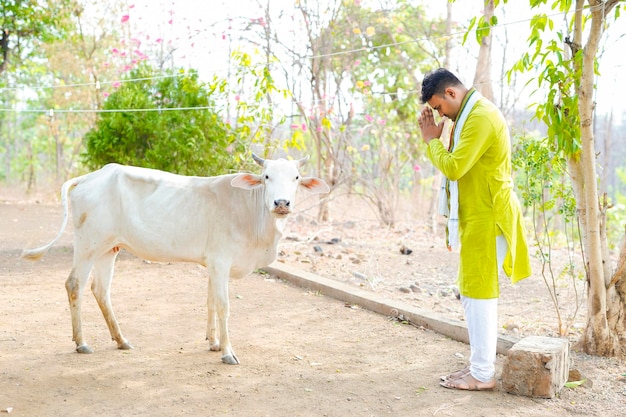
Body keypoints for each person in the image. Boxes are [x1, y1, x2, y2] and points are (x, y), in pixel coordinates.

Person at [417, 68, 532, 391]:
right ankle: (477, 368)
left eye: (439, 108)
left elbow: (454, 167)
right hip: (478, 215)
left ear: (451, 94)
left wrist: (431, 141)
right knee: (472, 292)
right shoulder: (469, 114)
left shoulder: (479, 116)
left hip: (489, 216)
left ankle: (482, 374)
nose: (440, 116)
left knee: (478, 294)